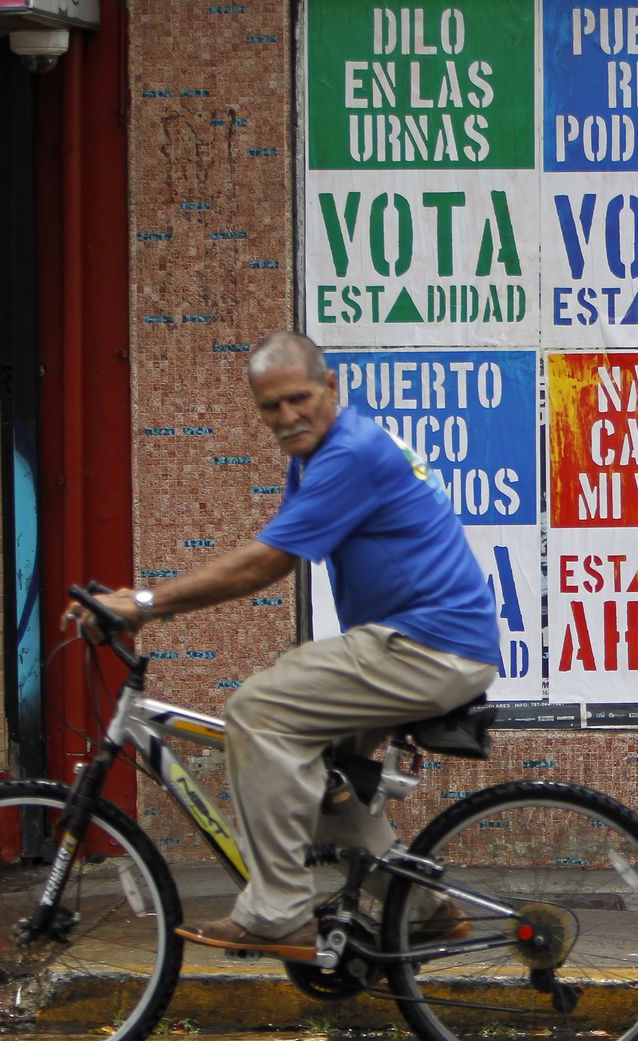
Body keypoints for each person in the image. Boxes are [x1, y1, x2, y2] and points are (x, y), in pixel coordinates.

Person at [62, 330, 498, 961]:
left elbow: (262, 566)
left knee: (258, 711)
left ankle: (277, 912)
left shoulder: (350, 453)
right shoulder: (316, 459)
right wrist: (142, 603)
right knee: (320, 783)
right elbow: (274, 555)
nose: (287, 416)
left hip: (429, 645)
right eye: (271, 406)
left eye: (298, 398)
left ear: (331, 388)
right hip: (418, 642)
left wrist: (148, 605)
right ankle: (425, 910)